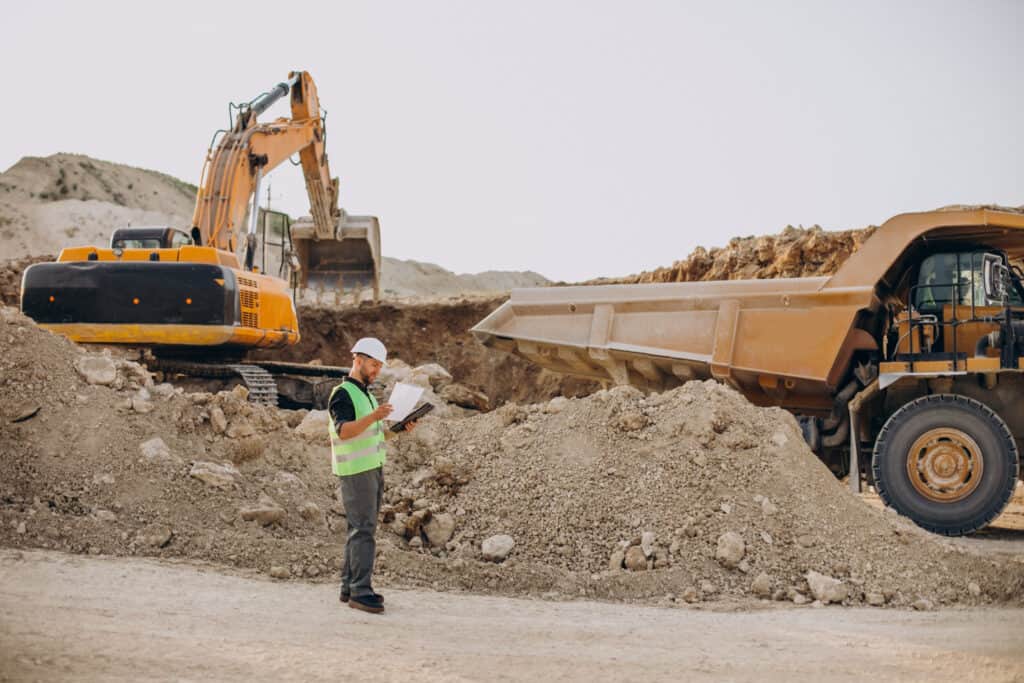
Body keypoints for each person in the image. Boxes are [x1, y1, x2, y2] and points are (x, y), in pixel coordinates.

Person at [328, 337, 416, 614]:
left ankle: (348, 586)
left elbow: (371, 432)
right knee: (363, 529)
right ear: (358, 360)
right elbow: (344, 431)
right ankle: (360, 591)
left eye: (380, 366)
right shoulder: (343, 393)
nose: (377, 370)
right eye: (374, 364)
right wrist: (375, 417)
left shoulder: (365, 393)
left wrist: (399, 429)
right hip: (356, 471)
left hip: (371, 467)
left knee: (360, 528)